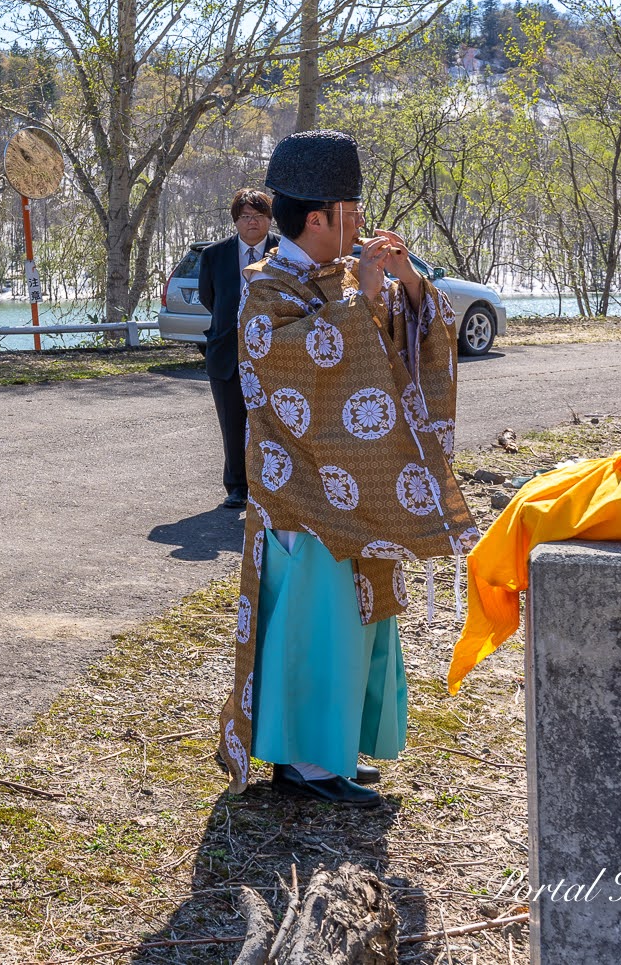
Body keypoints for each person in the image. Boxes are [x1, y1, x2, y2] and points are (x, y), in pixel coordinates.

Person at [215, 130, 473, 807]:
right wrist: (363, 301)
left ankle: (337, 749)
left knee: (353, 625)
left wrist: (408, 284)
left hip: (352, 485)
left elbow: (400, 337)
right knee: (316, 627)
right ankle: (307, 762)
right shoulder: (265, 286)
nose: (360, 226)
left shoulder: (342, 278)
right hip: (300, 490)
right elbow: (295, 362)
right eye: (351, 215)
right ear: (317, 219)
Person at [197, 188, 280, 510]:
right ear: (235, 220)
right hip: (227, 351)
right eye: (245, 216)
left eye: (258, 215)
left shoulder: (286, 251)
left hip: (277, 350)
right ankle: (237, 487)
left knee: (275, 423)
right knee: (232, 422)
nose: (252, 222)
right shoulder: (214, 255)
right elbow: (210, 298)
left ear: (270, 219)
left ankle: (275, 486)